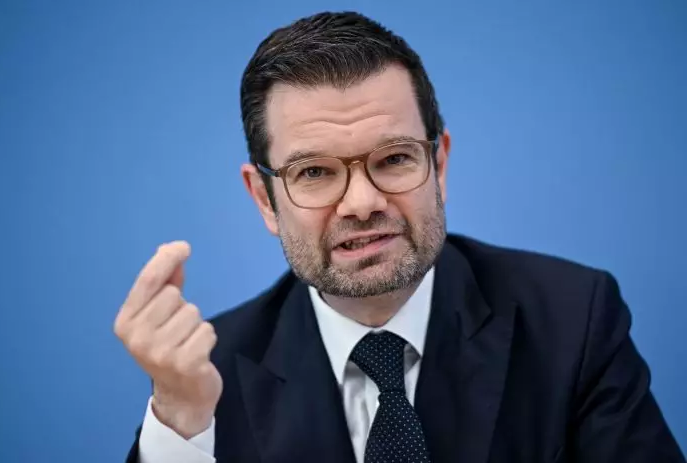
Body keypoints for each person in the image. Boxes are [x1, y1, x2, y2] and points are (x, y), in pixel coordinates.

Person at [114, 10, 685, 463]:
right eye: (314, 172)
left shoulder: (573, 320)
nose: (362, 203)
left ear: (440, 164)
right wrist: (179, 422)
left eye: (393, 159)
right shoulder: (205, 377)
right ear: (264, 198)